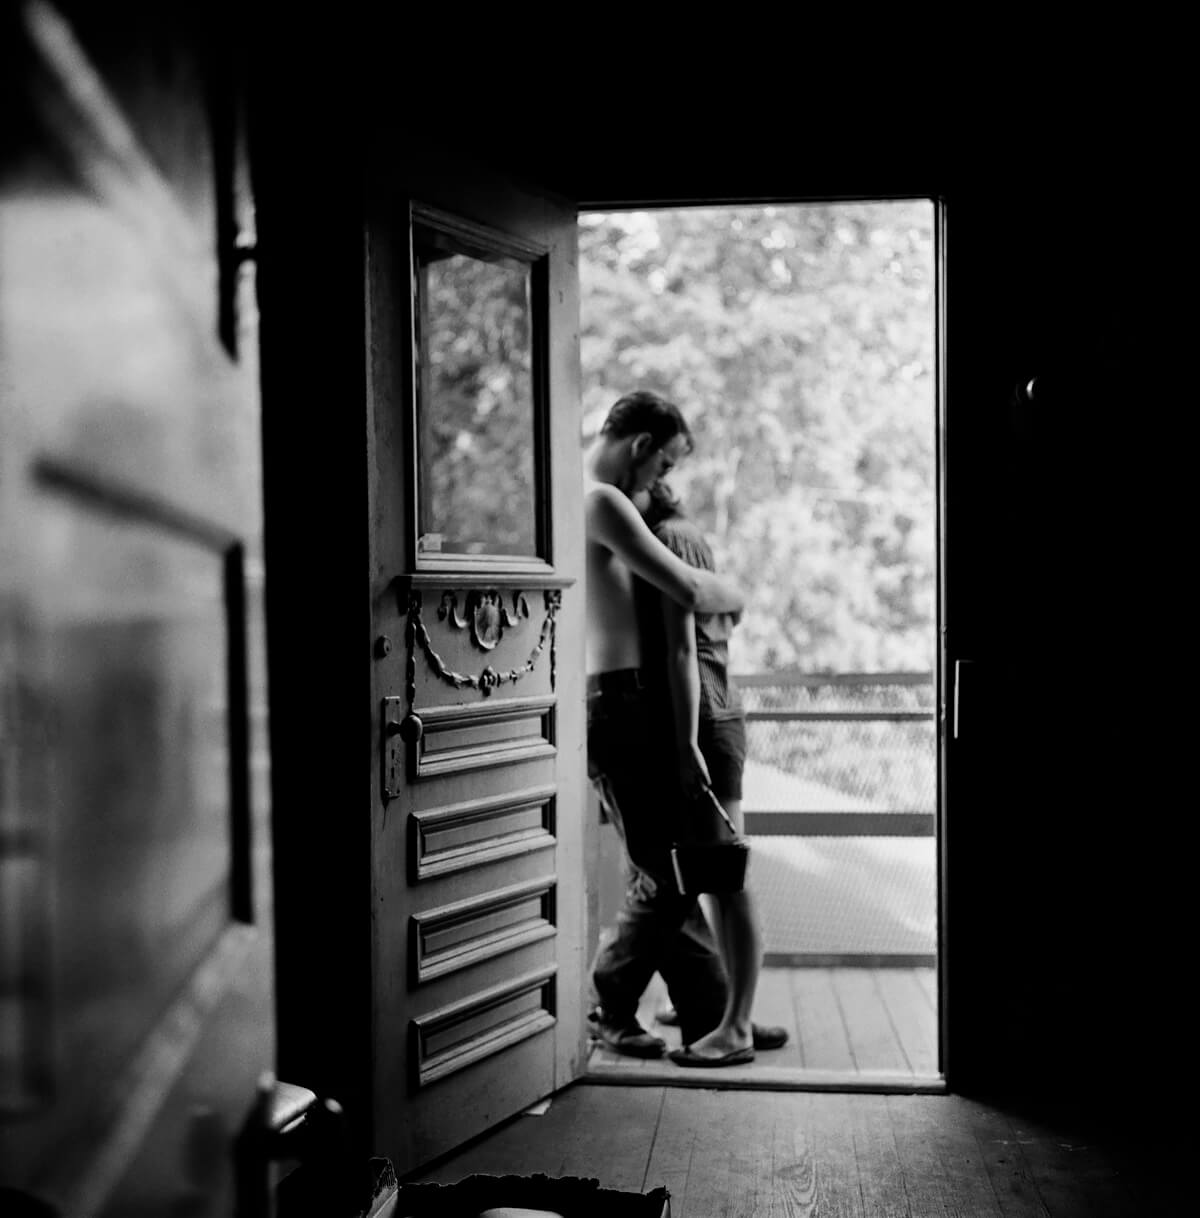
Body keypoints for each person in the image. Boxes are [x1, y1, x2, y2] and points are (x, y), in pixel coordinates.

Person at [583, 389, 786, 1062]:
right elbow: (692, 592)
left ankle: (713, 1011)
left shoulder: (610, 502)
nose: (663, 481)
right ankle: (613, 1007)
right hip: (619, 698)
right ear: (642, 445)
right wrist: (738, 593)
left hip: (635, 698)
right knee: (667, 873)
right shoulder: (601, 499)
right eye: (664, 462)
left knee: (678, 867)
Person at [633, 478, 764, 1066]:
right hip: (714, 715)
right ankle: (731, 1009)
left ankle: (736, 1025)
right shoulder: (682, 535)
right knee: (713, 875)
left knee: (727, 875)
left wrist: (686, 742)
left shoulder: (670, 537)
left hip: (707, 719)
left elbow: (683, 648)